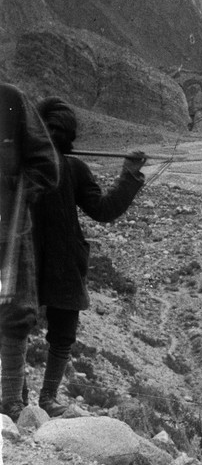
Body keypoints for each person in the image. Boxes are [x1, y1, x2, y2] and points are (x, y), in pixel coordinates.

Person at [32, 97, 147, 417]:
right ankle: (26, 396)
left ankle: (42, 399)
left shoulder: (67, 168)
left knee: (57, 332)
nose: (56, 135)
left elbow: (102, 209)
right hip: (37, 258)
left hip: (57, 261)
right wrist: (129, 174)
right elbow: (104, 211)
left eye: (59, 130)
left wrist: (128, 176)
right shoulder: (29, 165)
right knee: (23, 326)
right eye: (52, 128)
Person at [0, 83, 60, 421]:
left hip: (8, 229)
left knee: (13, 313)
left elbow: (46, 166)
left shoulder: (11, 101)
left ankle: (10, 401)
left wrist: (15, 190)